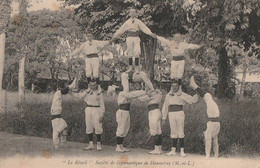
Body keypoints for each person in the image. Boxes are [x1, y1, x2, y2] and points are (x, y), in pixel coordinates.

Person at [111, 7, 157, 72]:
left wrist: (150, 33)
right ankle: (130, 67)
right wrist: (115, 36)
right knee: (129, 52)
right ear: (129, 13)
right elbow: (121, 30)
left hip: (136, 37)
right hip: (129, 37)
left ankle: (137, 68)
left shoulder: (138, 21)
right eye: (131, 12)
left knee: (136, 52)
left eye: (134, 12)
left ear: (136, 13)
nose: (132, 13)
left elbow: (144, 28)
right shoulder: (127, 22)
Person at [162, 81, 199, 157]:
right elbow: (165, 106)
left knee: (180, 131)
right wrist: (164, 117)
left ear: (179, 86)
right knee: (173, 131)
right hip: (171, 114)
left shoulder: (183, 95)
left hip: (179, 113)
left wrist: (197, 93)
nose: (174, 87)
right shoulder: (168, 95)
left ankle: (182, 150)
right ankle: (173, 150)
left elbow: (192, 100)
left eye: (176, 86)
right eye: (173, 86)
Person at [189, 76, 220, 158]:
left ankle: (208, 155)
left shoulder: (210, 101)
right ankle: (216, 155)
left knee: (209, 138)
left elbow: (205, 95)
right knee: (214, 138)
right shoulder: (212, 103)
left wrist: (197, 90)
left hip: (213, 121)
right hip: (216, 121)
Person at [71, 80, 105, 151]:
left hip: (96, 109)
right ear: (89, 85)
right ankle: (91, 144)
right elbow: (79, 96)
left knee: (98, 126)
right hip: (88, 109)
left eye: (94, 85)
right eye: (91, 85)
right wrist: (70, 91)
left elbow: (102, 104)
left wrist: (102, 115)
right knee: (89, 126)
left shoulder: (99, 93)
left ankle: (98, 144)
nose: (93, 87)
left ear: (96, 85)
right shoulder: (87, 92)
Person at [115, 82, 147, 152]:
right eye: (130, 85)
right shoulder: (123, 93)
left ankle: (121, 146)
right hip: (122, 112)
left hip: (126, 112)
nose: (131, 86)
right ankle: (118, 146)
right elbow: (133, 95)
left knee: (125, 129)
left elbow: (140, 98)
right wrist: (144, 92)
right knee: (121, 128)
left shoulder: (129, 94)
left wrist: (148, 94)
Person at [138, 81, 163, 154]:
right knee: (158, 130)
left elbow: (143, 99)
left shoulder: (157, 93)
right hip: (154, 111)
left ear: (156, 85)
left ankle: (157, 149)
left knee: (154, 130)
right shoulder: (153, 93)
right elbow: (142, 99)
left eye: (153, 84)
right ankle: (159, 148)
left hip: (154, 111)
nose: (151, 86)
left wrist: (146, 94)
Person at [51, 79, 76, 150]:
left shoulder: (58, 129)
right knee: (58, 93)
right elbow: (64, 135)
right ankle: (70, 87)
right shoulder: (63, 125)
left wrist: (56, 146)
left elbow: (55, 136)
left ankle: (70, 87)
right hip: (57, 113)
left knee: (58, 93)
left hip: (56, 112)